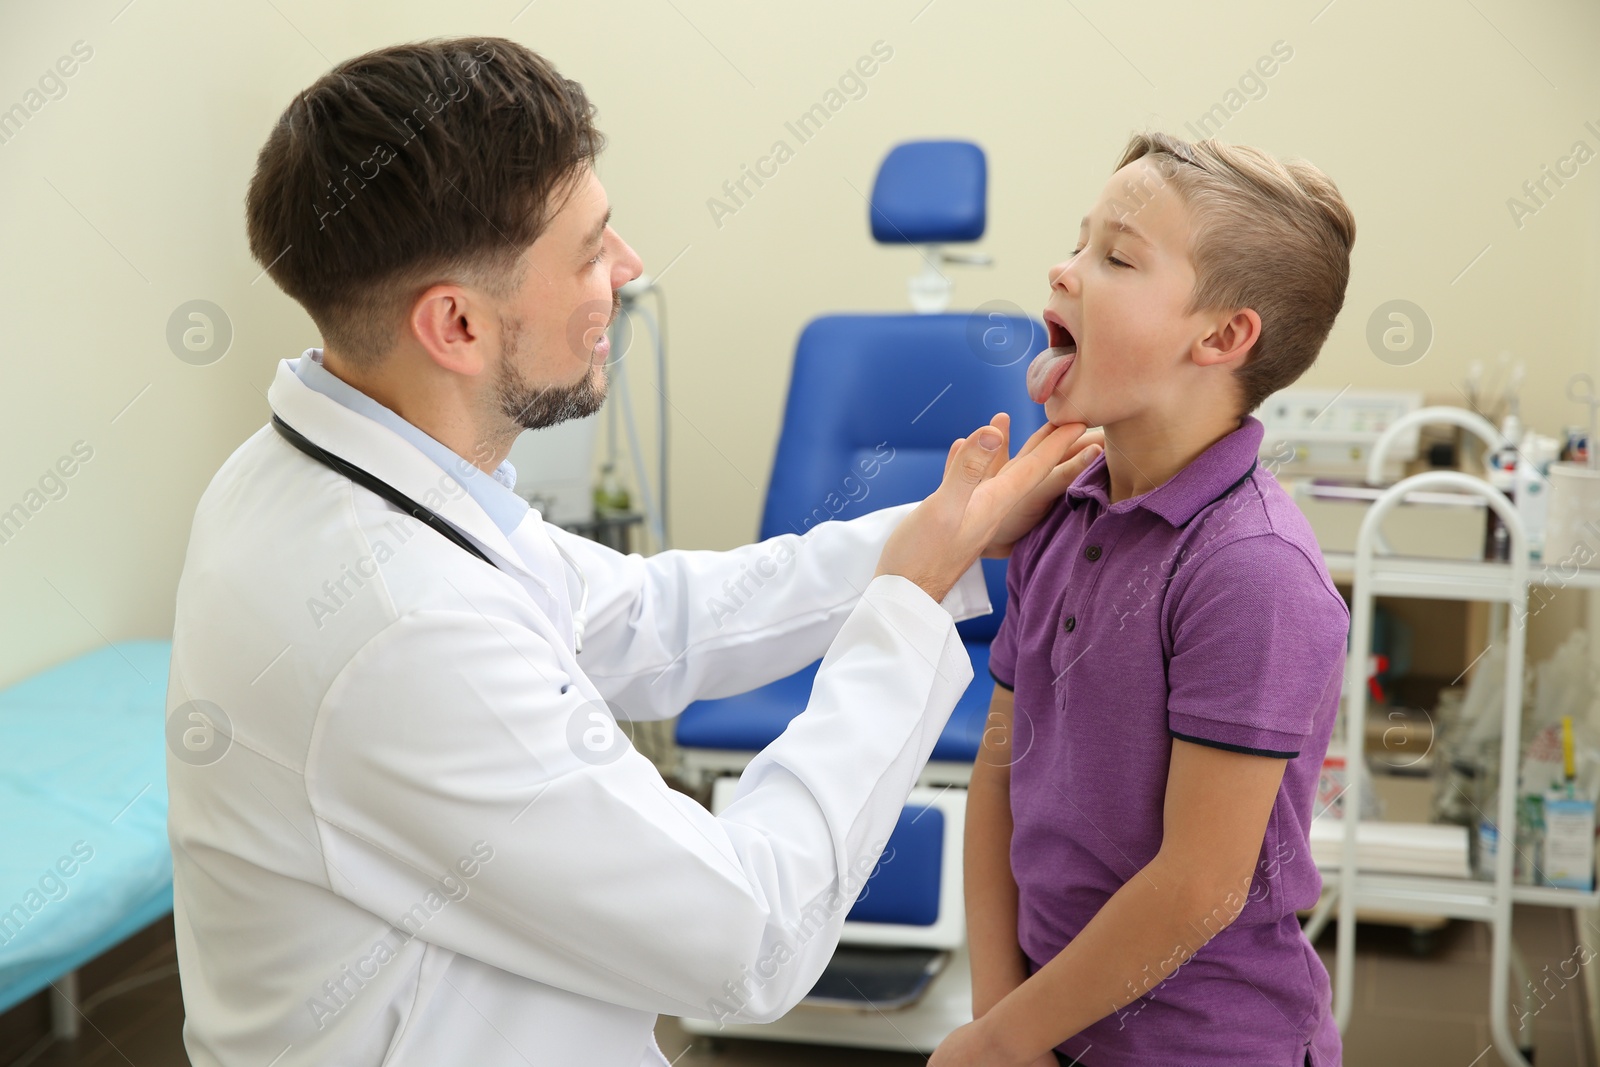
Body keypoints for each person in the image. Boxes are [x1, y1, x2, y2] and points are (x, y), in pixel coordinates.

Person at [164, 36, 1099, 1067]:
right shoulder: (400, 625)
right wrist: (907, 611)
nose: (629, 267)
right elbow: (750, 937)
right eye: (589, 249)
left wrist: (929, 535)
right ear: (458, 324)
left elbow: (652, 615)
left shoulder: (314, 469)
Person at [933, 132, 1356, 1067]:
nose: (1065, 267)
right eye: (1080, 242)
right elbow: (999, 772)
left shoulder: (1253, 570)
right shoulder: (1065, 510)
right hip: (1055, 1027)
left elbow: (1199, 886)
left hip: (1210, 1046)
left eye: (1116, 257)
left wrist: (1001, 1039)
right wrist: (1004, 1020)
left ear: (1221, 336)